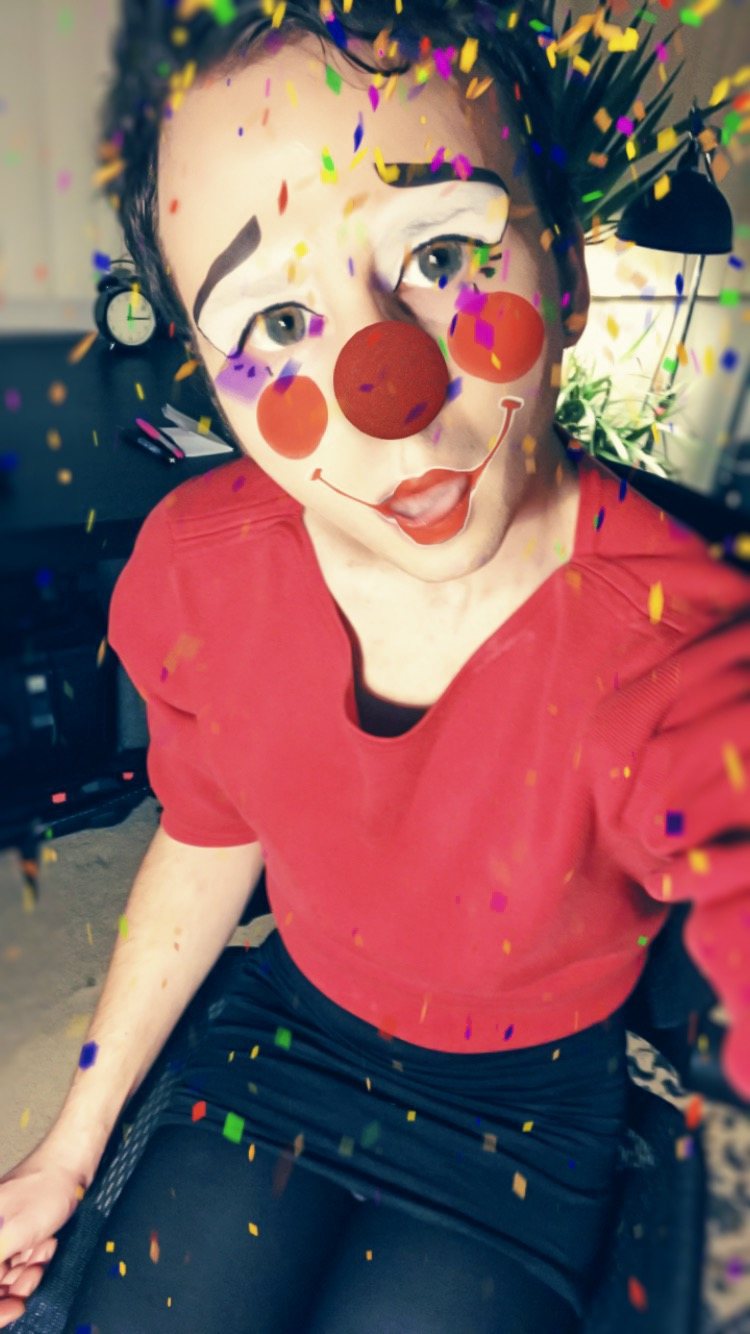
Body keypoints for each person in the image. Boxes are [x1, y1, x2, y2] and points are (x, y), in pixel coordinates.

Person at [1, 2, 748, 1331]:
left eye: (441, 253)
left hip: (528, 1112)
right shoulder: (200, 573)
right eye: (280, 318)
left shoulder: (683, 637)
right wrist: (67, 1145)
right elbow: (206, 834)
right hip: (290, 1034)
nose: (384, 390)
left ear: (567, 278)